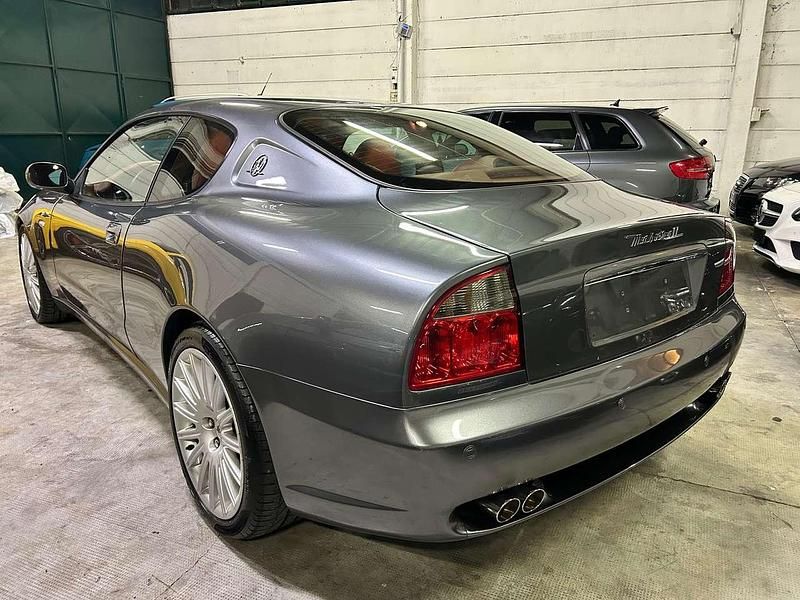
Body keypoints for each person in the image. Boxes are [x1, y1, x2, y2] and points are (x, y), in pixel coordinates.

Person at [0, 166, 23, 239]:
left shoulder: (5, 176)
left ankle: (10, 230)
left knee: (4, 215)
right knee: (6, 215)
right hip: (5, 201)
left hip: (5, 201)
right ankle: (10, 229)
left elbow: (5, 187)